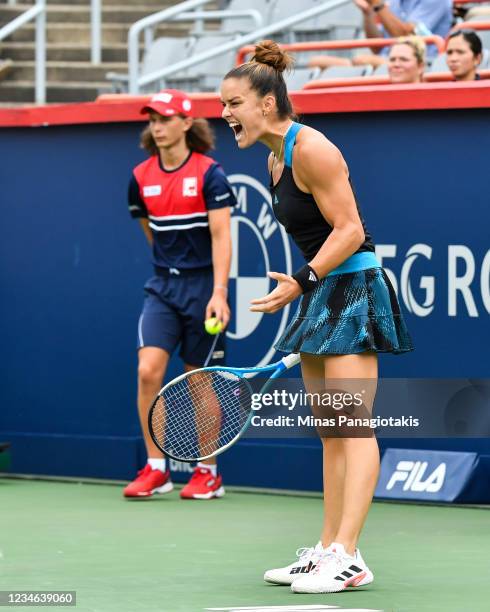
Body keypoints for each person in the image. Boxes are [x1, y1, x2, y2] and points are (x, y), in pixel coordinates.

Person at [220, 40, 413, 594]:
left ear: (265, 103)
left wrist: (302, 282)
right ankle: (327, 548)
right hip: (322, 291)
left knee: (354, 427)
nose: (225, 114)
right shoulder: (274, 156)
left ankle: (350, 556)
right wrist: (307, 288)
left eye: (233, 103)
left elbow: (350, 229)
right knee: (330, 431)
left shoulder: (314, 149)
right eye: (223, 104)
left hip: (353, 289)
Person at [124, 89, 236, 500]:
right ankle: (157, 468)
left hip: (205, 287)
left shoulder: (211, 174)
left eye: (166, 118)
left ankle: (208, 472)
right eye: (152, 119)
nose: (157, 126)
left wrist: (220, 292)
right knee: (147, 371)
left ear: (187, 123)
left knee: (198, 381)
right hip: (163, 287)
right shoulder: (139, 178)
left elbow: (223, 237)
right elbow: (151, 235)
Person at [308, 0, 452, 71]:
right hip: (384, 60)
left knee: (361, 60)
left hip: (419, 63)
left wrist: (377, 3)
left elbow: (406, 38)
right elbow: (377, 46)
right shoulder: (396, 2)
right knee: (316, 61)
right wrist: (368, 12)